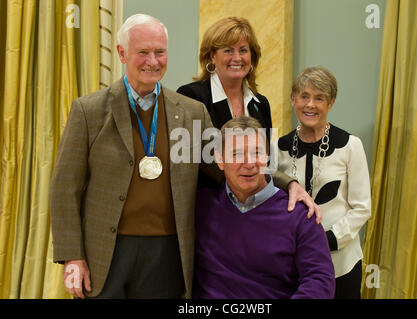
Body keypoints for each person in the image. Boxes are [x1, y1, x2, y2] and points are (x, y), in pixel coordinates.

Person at [49, 14, 221, 299]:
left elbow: (227, 165)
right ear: (122, 53)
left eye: (160, 52)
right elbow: (64, 188)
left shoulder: (192, 113)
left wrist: (286, 184)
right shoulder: (88, 111)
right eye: (143, 52)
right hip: (104, 253)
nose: (152, 61)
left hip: (167, 256)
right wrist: (72, 257)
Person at [177, 16, 320, 221]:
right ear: (212, 56)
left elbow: (267, 163)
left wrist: (290, 184)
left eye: (243, 50)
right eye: (228, 50)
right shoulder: (191, 97)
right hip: (207, 213)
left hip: (253, 210)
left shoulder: (260, 104)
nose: (237, 57)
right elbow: (185, 161)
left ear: (252, 57)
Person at [194, 116, 335, 299]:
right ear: (220, 160)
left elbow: (320, 280)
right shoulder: (202, 206)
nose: (249, 163)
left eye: (257, 153)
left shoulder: (300, 215)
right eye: (237, 154)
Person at [277, 66, 371, 299]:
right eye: (304, 96)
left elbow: (362, 207)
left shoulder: (351, 145)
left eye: (319, 98)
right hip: (294, 263)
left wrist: (327, 240)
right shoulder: (278, 148)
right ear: (293, 99)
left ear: (331, 103)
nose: (310, 105)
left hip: (342, 264)